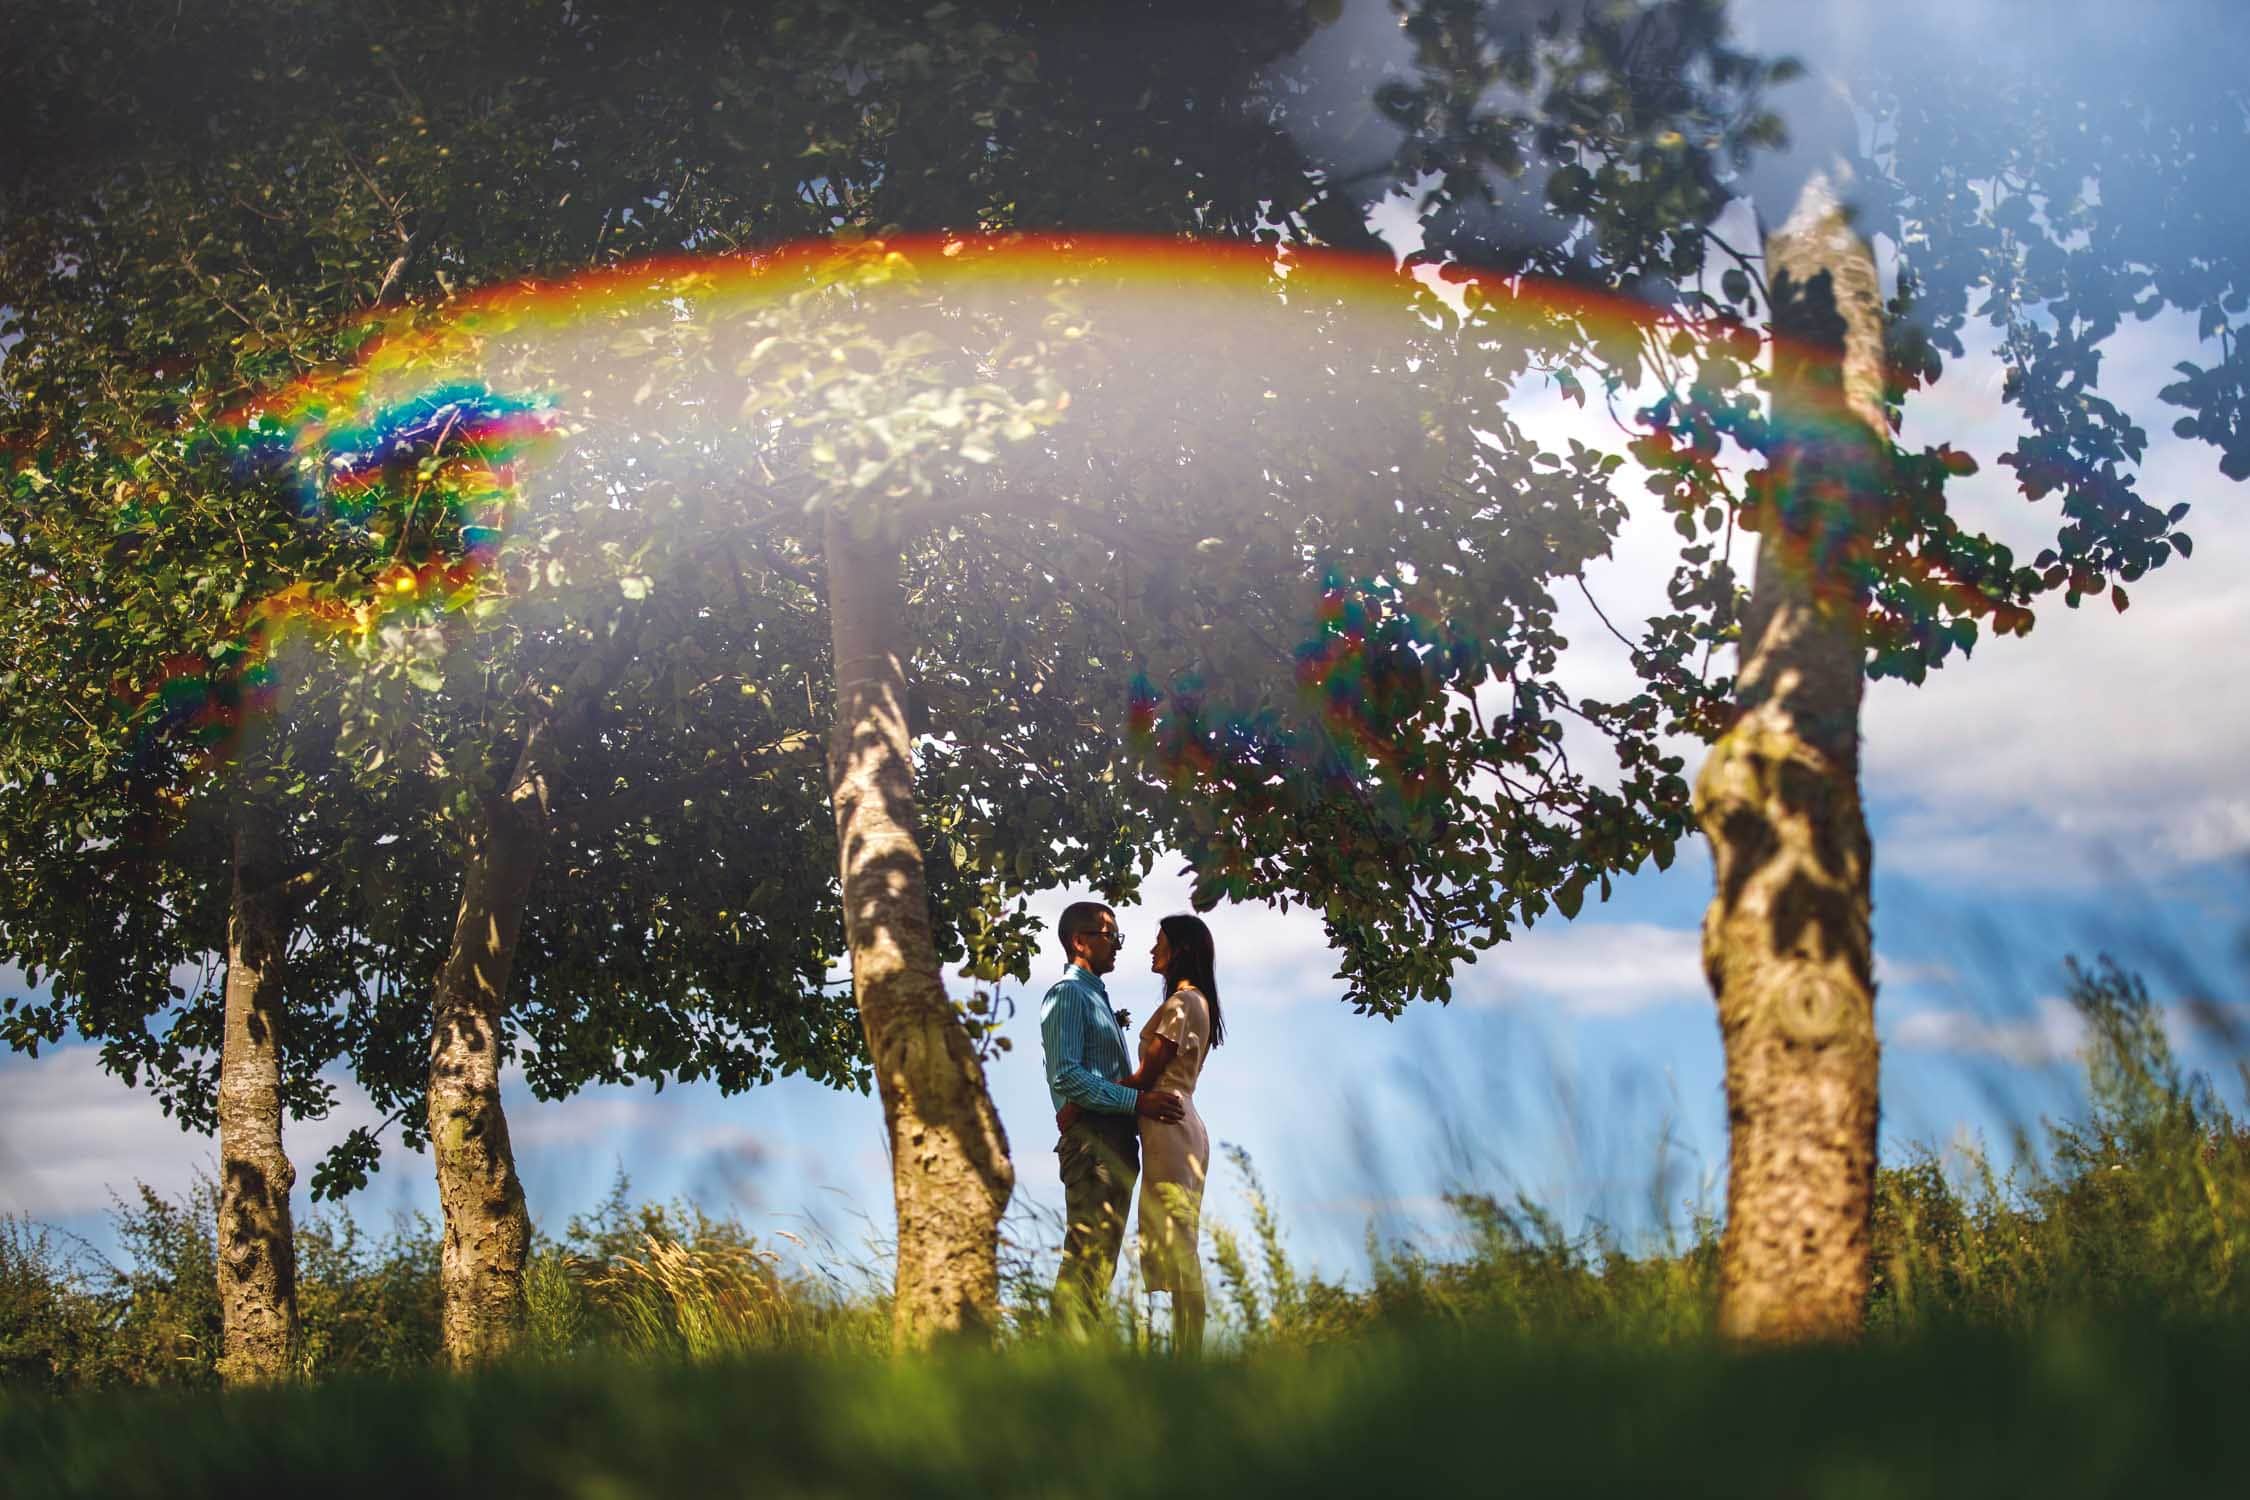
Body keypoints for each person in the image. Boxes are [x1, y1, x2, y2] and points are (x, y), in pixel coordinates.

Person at [1057, 911, 1224, 1356]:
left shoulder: (1183, 1003)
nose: (1151, 950)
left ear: (1180, 951)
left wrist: (1081, 1101)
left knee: (1178, 1240)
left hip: (1168, 1122)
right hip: (1169, 1124)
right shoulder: (1193, 1003)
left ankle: (1188, 1355)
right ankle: (1185, 1352)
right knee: (1176, 1236)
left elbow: (1148, 1077)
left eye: (1159, 943)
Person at [1039, 900, 1183, 1337]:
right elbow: (1067, 1073)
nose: (1119, 945)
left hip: (1112, 1138)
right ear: (1079, 941)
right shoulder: (1068, 995)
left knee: (1099, 1262)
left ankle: (1077, 1358)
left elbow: (1092, 1078)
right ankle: (1063, 1360)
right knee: (1087, 1256)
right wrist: (1136, 1103)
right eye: (1110, 936)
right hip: (1094, 1142)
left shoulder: (1095, 996)